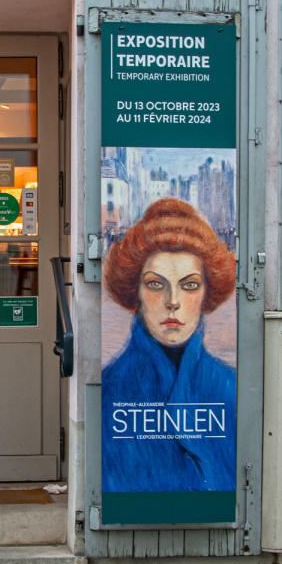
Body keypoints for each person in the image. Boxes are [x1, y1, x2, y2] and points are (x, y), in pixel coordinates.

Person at [100, 197, 238, 495]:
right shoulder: (108, 390)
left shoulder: (230, 389)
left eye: (189, 285)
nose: (172, 301)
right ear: (134, 292)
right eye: (155, 284)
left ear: (206, 293)